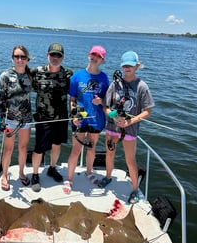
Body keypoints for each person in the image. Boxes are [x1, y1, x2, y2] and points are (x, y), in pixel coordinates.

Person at [99, 50, 154, 204]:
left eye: (130, 65)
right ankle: (108, 177)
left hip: (130, 130)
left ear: (137, 66)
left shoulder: (142, 86)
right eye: (124, 66)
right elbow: (105, 106)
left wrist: (130, 122)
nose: (127, 68)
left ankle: (135, 189)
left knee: (130, 160)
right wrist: (112, 116)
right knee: (109, 154)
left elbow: (148, 111)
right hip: (112, 127)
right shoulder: (115, 84)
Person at [63, 45, 109, 194]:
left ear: (102, 60)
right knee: (75, 150)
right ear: (89, 55)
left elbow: (107, 100)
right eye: (93, 54)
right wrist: (74, 114)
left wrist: (100, 101)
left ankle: (89, 172)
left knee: (91, 149)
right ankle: (69, 179)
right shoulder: (77, 76)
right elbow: (72, 99)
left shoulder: (104, 78)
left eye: (98, 56)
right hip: (80, 117)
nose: (95, 58)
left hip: (96, 119)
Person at [31, 43, 72, 192]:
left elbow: (74, 94)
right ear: (47, 55)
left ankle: (52, 168)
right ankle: (35, 174)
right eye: (52, 54)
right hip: (43, 118)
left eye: (58, 55)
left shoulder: (68, 74)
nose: (55, 58)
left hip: (61, 118)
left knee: (57, 144)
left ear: (63, 57)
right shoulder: (37, 72)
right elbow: (26, 89)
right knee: (39, 148)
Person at [0, 45, 33, 191]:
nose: (20, 60)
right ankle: (4, 175)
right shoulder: (5, 76)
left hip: (26, 120)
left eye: (23, 57)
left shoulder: (30, 76)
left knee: (23, 148)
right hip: (10, 120)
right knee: (8, 150)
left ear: (27, 59)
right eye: (17, 56)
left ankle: (21, 173)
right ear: (12, 58)